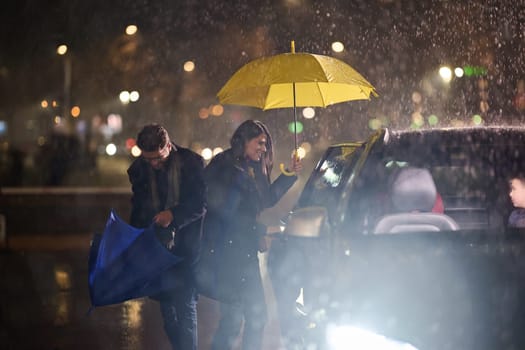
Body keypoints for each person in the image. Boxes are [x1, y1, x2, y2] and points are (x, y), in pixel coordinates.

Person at [203, 119, 302, 350]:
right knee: (236, 319)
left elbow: (263, 200)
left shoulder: (251, 167)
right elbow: (226, 214)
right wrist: (263, 230)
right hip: (226, 253)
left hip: (243, 252)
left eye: (266, 144)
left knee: (250, 317)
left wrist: (290, 174)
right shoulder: (225, 167)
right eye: (260, 142)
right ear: (243, 141)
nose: (264, 148)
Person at [127, 123, 206, 350]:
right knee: (168, 312)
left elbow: (199, 204)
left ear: (168, 146)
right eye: (148, 159)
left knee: (186, 308)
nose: (154, 164)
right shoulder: (140, 170)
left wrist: (172, 214)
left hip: (187, 247)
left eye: (158, 158)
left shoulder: (191, 163)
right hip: (158, 248)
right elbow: (139, 207)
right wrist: (136, 239)